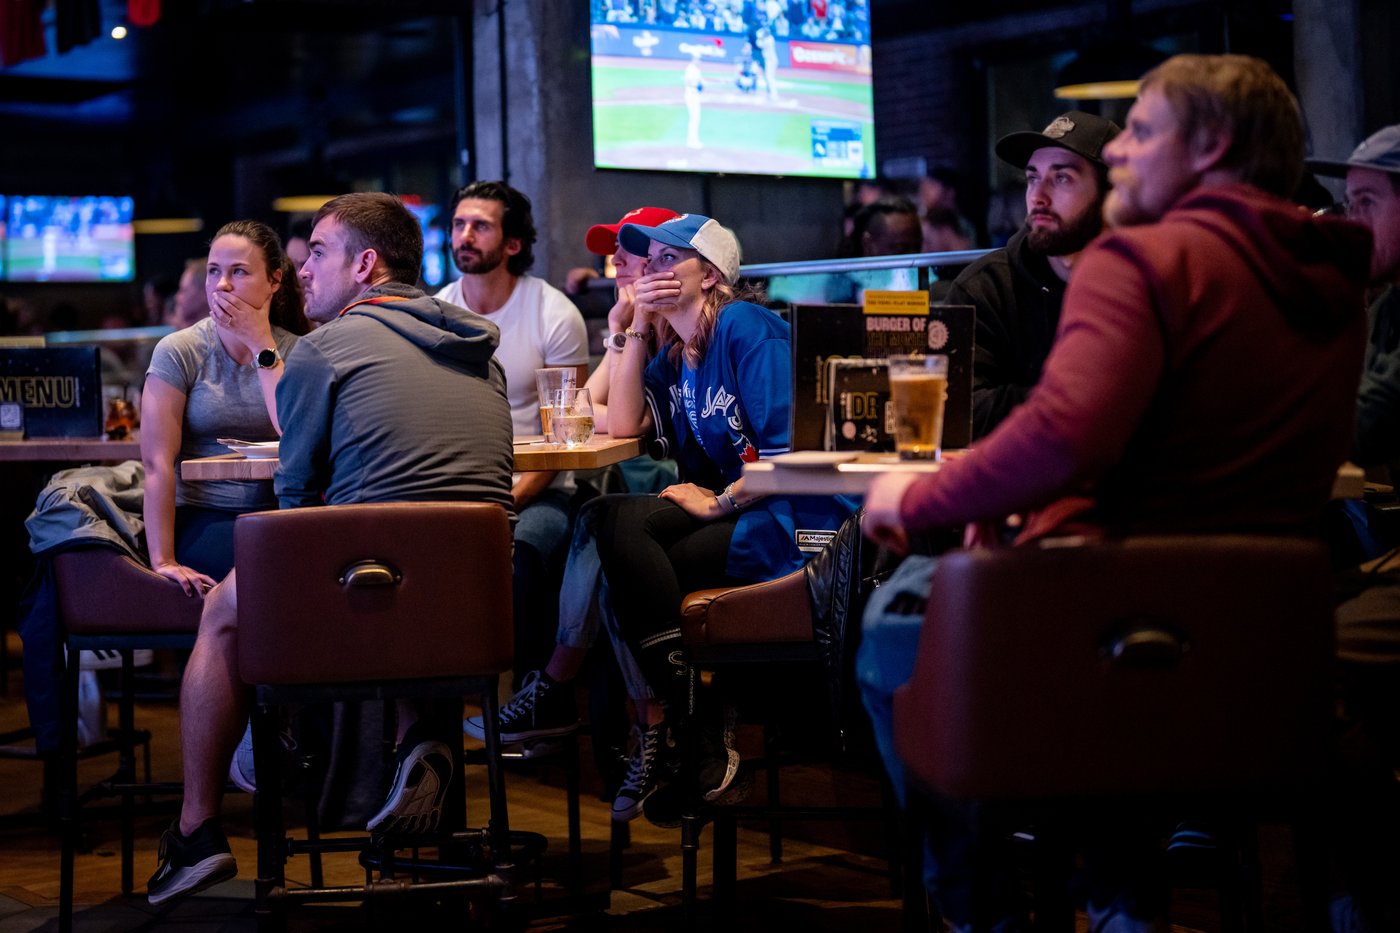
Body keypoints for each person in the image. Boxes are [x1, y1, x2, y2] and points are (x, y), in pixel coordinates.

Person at [858, 54, 1369, 932]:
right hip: (1264, 646)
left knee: (892, 624)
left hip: (1118, 622)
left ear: (1209, 146)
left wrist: (914, 503)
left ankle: (987, 913)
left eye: (1139, 130)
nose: (1122, 153)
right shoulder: (1332, 273)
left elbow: (1062, 434)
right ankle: (1124, 891)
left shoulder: (1137, 260)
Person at [146, 192, 515, 907]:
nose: (302, 268)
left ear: (366, 265)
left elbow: (295, 496)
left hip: (376, 595)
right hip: (482, 608)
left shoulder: (320, 351)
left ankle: (196, 831)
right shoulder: (482, 349)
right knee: (406, 546)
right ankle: (418, 743)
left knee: (229, 605)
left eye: (317, 252)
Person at [595, 213, 858, 821]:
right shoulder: (681, 351)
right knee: (609, 518)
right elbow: (623, 423)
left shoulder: (745, 326)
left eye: (668, 261)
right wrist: (634, 326)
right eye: (648, 262)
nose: (651, 272)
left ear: (710, 275)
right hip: (746, 514)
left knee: (626, 562)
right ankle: (696, 723)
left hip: (798, 522)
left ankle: (692, 730)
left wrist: (717, 503)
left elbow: (788, 457)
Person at [464, 206, 679, 749]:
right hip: (642, 494)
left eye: (627, 255)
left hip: (691, 496)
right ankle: (644, 733)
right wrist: (621, 334)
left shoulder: (676, 338)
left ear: (665, 264)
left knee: (600, 534)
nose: (614, 264)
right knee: (603, 530)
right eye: (613, 252)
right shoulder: (634, 329)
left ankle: (569, 692)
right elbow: (578, 411)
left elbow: (608, 419)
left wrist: (627, 341)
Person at [434, 181, 590, 679]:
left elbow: (566, 438)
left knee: (521, 555)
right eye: (459, 224)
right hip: (456, 487)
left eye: (480, 226)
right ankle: (434, 706)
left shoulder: (553, 313)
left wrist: (506, 505)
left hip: (542, 489)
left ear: (513, 244)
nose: (464, 235)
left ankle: (531, 703)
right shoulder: (437, 314)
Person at [141, 220, 307, 598]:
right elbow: (156, 463)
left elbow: (293, 431)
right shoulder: (179, 350)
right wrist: (162, 559)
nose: (222, 285)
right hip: (204, 515)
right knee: (266, 577)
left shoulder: (299, 350)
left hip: (281, 512)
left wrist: (260, 343)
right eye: (214, 271)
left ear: (275, 281)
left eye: (239, 272)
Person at [945, 110, 1120, 437]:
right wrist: (1075, 401)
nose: (1037, 197)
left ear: (1110, 194)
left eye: (1062, 178)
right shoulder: (984, 288)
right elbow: (957, 410)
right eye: (1032, 178)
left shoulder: (1146, 283)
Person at [1307, 124, 1400, 476]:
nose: (1352, 225)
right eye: (1350, 204)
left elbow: (1362, 424)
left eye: (1367, 202)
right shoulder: (1387, 305)